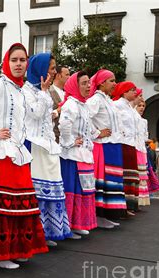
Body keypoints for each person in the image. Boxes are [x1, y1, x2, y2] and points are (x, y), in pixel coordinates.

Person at [0, 43, 48, 269]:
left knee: (20, 204)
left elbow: (35, 114)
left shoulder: (21, 90)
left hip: (18, 153)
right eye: (14, 60)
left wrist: (44, 92)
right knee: (1, 205)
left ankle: (16, 249)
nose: (19, 64)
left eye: (22, 60)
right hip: (1, 153)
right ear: (6, 62)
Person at [22, 53, 72, 246]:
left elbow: (43, 116)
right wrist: (43, 93)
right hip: (34, 144)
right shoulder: (26, 90)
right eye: (51, 68)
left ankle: (48, 230)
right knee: (38, 191)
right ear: (41, 70)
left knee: (51, 190)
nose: (54, 72)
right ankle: (35, 233)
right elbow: (34, 114)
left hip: (47, 144)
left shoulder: (42, 90)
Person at [58, 71, 97, 238]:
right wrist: (70, 141)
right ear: (75, 85)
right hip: (72, 156)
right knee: (72, 189)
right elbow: (64, 125)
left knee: (83, 189)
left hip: (84, 154)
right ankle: (69, 225)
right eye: (84, 83)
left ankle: (78, 223)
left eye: (89, 83)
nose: (88, 86)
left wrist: (95, 135)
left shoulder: (84, 105)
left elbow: (89, 127)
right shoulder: (71, 105)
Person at [86, 69, 126, 228]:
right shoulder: (96, 99)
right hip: (103, 146)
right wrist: (96, 133)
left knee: (112, 181)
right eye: (111, 81)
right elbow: (84, 117)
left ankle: (106, 215)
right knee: (103, 181)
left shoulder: (108, 100)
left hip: (113, 145)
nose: (115, 84)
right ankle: (98, 216)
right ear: (102, 83)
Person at [112, 81, 140, 215]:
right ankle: (123, 206)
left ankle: (131, 204)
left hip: (131, 143)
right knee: (125, 175)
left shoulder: (129, 107)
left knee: (132, 175)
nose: (135, 92)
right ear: (124, 92)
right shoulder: (116, 104)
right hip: (123, 142)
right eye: (132, 90)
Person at [133, 90, 151, 206]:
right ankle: (134, 201)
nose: (141, 108)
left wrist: (147, 140)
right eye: (139, 105)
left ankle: (140, 201)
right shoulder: (133, 118)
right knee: (136, 175)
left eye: (143, 106)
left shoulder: (144, 121)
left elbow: (145, 136)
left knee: (142, 176)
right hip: (135, 148)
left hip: (142, 149)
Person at [49, 65, 70, 143]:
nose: (69, 77)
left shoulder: (68, 94)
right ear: (58, 75)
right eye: (67, 75)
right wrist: (58, 111)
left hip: (66, 140)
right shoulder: (49, 91)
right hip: (54, 139)